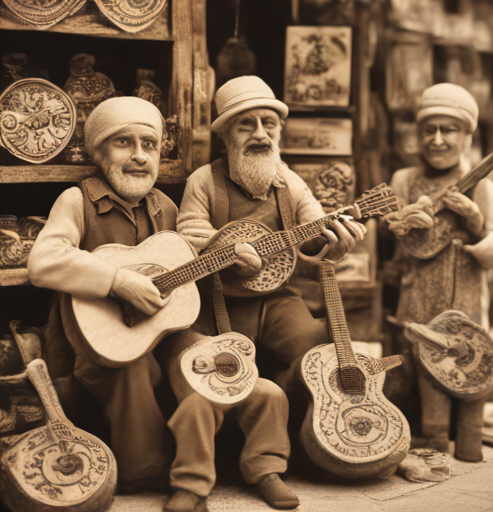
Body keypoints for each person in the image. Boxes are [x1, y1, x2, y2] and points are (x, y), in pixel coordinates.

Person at [161, 76, 366, 512]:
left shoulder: (290, 182)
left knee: (318, 349)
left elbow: (314, 233)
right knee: (205, 366)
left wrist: (336, 240)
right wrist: (226, 248)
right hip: (215, 300)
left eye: (268, 123)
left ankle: (311, 447)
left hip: (277, 300)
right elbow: (189, 233)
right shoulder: (205, 180)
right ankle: (217, 464)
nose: (260, 133)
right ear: (225, 135)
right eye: (246, 124)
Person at [28, 97, 178, 493]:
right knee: (131, 369)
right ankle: (143, 472)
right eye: (123, 143)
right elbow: (43, 261)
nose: (140, 156)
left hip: (153, 338)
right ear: (98, 151)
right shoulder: (77, 200)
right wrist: (118, 281)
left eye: (149, 144)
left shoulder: (165, 208)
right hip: (90, 349)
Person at [385, 83, 493, 460]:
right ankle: (434, 442)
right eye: (429, 129)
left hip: (468, 303)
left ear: (468, 136)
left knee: (471, 367)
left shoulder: (484, 188)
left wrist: (476, 224)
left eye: (449, 130)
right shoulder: (404, 180)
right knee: (426, 370)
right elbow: (393, 238)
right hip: (419, 299)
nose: (437, 139)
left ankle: (469, 442)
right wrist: (403, 222)